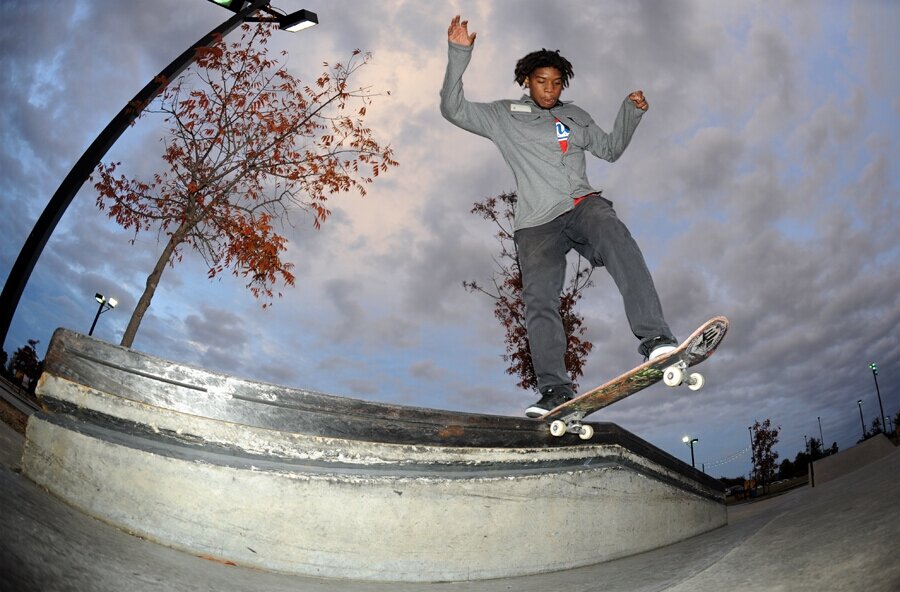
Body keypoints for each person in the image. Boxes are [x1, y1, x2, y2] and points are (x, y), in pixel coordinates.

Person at [440, 16, 678, 417]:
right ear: (526, 82)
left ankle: (656, 339)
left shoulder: (576, 116)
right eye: (541, 82)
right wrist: (459, 53)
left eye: (556, 82)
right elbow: (452, 107)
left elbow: (610, 149)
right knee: (539, 300)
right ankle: (555, 390)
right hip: (536, 224)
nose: (549, 89)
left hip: (582, 205)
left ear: (563, 83)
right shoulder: (503, 115)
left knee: (618, 239)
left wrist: (630, 112)